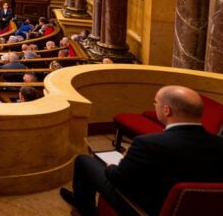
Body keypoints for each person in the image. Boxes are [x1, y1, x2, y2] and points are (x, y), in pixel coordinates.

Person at [60, 86, 223, 216]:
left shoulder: (148, 143)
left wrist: (111, 166)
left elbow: (119, 179)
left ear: (167, 110)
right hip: (195, 209)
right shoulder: (219, 144)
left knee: (84, 161)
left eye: (155, 102)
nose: (154, 105)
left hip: (141, 207)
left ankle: (85, 209)